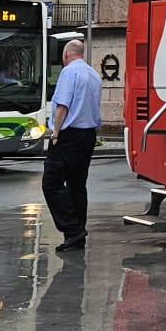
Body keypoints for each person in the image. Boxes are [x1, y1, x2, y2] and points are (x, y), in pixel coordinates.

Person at [43, 39, 103, 252]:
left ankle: (72, 229)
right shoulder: (94, 75)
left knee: (51, 183)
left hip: (68, 135)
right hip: (87, 135)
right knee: (77, 185)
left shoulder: (69, 73)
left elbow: (62, 105)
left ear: (66, 53)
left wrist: (56, 132)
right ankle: (78, 234)